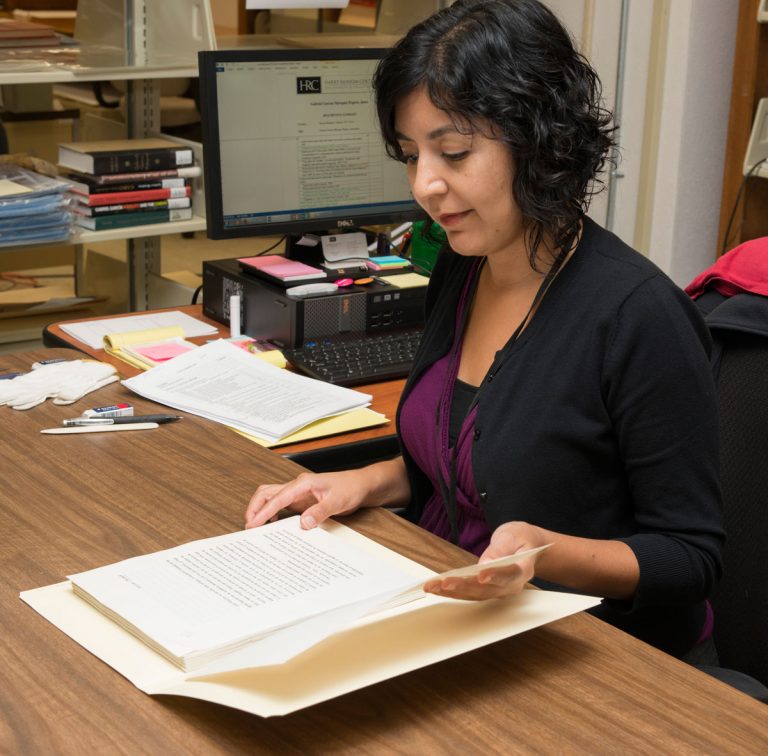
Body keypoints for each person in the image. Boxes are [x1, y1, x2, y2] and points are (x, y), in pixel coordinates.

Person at [245, 0, 724, 660]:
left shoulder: (638, 315)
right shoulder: (463, 265)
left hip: (590, 652)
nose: (425, 185)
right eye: (410, 156)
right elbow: (462, 462)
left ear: (539, 142)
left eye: (454, 152)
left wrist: (544, 552)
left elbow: (691, 557)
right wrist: (361, 483)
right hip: (446, 607)